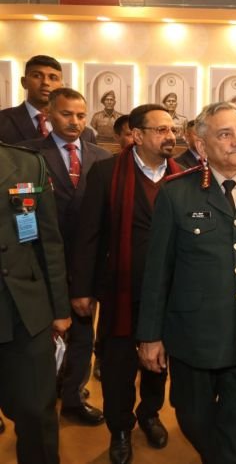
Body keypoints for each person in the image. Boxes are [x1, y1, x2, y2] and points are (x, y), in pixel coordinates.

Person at [136, 101, 236, 464]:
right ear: (201, 144)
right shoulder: (177, 193)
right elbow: (157, 272)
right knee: (192, 417)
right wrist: (150, 336)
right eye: (225, 134)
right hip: (193, 334)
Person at [70, 104, 182, 464]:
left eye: (172, 129)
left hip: (167, 293)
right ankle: (119, 428)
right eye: (161, 130)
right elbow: (89, 234)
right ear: (137, 135)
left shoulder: (184, 177)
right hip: (120, 290)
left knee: (158, 361)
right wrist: (82, 288)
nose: (171, 136)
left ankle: (149, 414)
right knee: (118, 366)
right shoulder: (106, 173)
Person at [19, 88, 111, 427]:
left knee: (83, 335)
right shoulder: (28, 155)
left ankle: (73, 397)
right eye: (66, 114)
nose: (75, 121)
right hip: (40, 264)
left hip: (86, 263)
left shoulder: (102, 157)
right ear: (48, 115)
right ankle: (36, 402)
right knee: (39, 339)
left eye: (81, 115)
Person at [0, 142, 72, 463]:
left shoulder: (28, 164)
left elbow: (48, 242)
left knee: (36, 411)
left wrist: (60, 309)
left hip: (24, 310)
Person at [0, 55, 96, 145]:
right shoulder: (3, 121)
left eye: (53, 78)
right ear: (24, 82)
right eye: (37, 76)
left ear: (61, 86)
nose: (45, 82)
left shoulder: (86, 134)